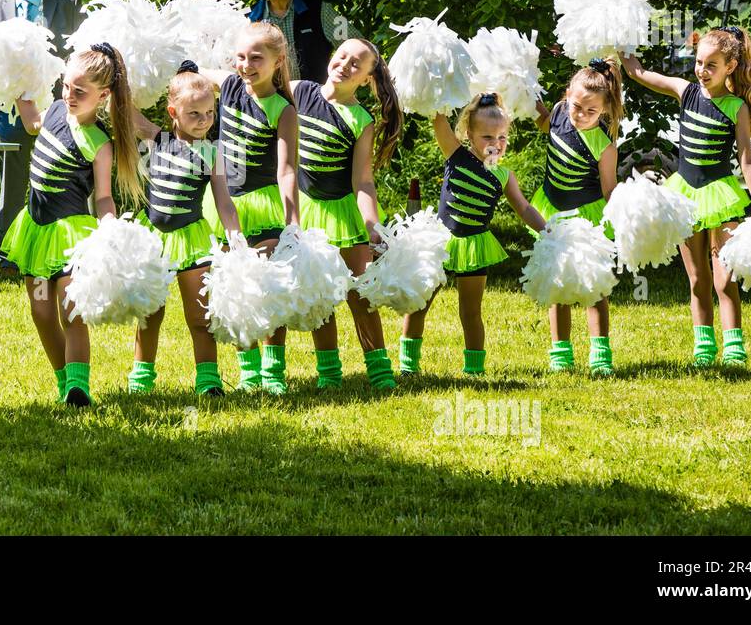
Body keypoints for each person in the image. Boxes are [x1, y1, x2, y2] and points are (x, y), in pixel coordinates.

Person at [1, 43, 141, 407]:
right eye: (66, 86)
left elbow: (105, 197)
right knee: (41, 312)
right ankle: (65, 382)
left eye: (80, 91)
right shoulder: (57, 111)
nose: (70, 95)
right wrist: (17, 79)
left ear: (103, 95)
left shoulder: (100, 143)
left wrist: (109, 230)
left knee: (71, 307)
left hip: (72, 232)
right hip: (36, 227)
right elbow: (32, 121)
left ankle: (79, 386)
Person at [623, 26, 751, 367]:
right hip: (684, 196)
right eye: (699, 62)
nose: (702, 71)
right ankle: (703, 347)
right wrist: (618, 38)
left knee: (724, 278)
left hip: (721, 197)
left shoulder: (737, 108)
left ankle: (734, 347)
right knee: (697, 278)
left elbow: (747, 160)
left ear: (730, 66)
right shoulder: (686, 91)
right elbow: (639, 73)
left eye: (711, 65)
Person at [399, 94, 546, 377]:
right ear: (469, 135)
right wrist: (439, 87)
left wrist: (547, 231)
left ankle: (475, 369)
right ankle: (408, 366)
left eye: (502, 137)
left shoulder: (504, 176)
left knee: (470, 311)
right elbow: (439, 119)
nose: (496, 143)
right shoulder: (456, 155)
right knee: (419, 304)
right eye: (487, 136)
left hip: (476, 245)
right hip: (440, 243)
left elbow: (524, 208)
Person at [291, 38, 404, 390]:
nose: (345, 65)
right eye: (342, 56)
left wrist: (372, 226)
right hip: (304, 208)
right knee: (320, 293)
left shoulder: (361, 120)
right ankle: (329, 372)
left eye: (356, 64)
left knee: (361, 294)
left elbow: (363, 181)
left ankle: (380, 369)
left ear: (368, 78)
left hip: (343, 211)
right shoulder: (298, 91)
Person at [127, 62, 241, 396]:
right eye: (194, 114)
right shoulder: (158, 139)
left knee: (200, 314)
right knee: (150, 313)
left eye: (209, 113)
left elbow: (224, 203)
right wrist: (120, 78)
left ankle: (208, 378)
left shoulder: (213, 151)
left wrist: (236, 241)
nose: (204, 120)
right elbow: (126, 112)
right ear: (173, 112)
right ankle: (141, 376)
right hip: (154, 241)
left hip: (192, 237)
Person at [200, 23, 300, 394]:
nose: (246, 64)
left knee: (267, 288)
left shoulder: (283, 110)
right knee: (236, 287)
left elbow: (287, 169)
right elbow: (193, 72)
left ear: (278, 61)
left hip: (263, 204)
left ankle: (274, 371)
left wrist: (292, 220)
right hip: (225, 204)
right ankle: (249, 370)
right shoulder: (227, 86)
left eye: (256, 57)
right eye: (240, 57)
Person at [0, 0, 86, 261]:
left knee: (57, 176)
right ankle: (9, 255)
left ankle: (59, 249)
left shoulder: (67, 1)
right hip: (10, 111)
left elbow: (81, 52)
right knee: (12, 183)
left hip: (58, 106)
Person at [530, 59, 624, 375]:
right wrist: (523, 88)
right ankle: (561, 352)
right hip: (554, 210)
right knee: (558, 283)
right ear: (567, 94)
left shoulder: (604, 146)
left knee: (593, 287)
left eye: (590, 111)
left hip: (588, 218)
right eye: (576, 106)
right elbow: (543, 122)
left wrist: (623, 220)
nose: (580, 115)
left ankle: (600, 353)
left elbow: (609, 190)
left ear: (605, 111)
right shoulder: (558, 112)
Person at [247, 0, 358, 84]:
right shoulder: (250, 18)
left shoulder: (318, 9)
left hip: (315, 96)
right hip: (270, 99)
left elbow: (354, 45)